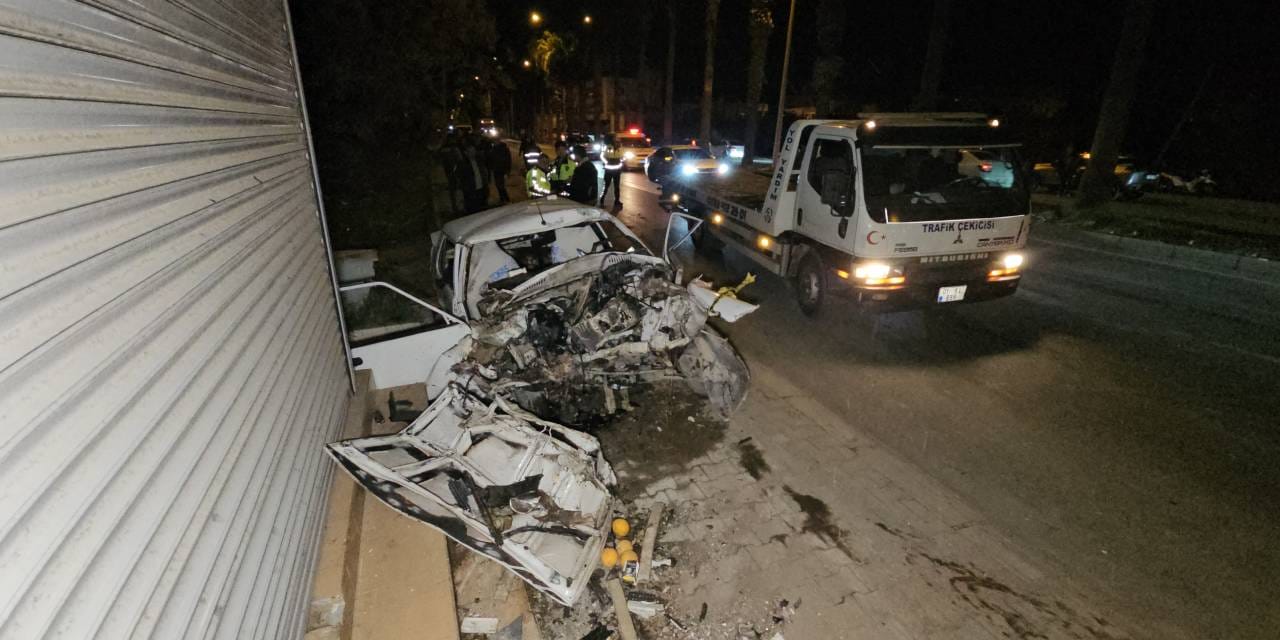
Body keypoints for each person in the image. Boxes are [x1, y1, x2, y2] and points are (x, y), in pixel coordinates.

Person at [457, 137, 490, 213]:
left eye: (474, 151)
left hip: (481, 190)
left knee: (483, 211)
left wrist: (486, 187)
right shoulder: (462, 164)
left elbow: (484, 173)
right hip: (471, 192)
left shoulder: (479, 161)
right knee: (473, 211)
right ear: (466, 152)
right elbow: (461, 179)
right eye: (470, 151)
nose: (473, 153)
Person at [438, 132, 464, 214]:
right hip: (455, 171)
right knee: (457, 189)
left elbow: (440, 160)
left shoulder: (443, 148)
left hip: (448, 171)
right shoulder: (454, 148)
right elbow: (460, 159)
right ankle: (458, 207)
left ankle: (454, 207)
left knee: (452, 190)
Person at [599, 136, 624, 207]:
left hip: (617, 171)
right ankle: (602, 201)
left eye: (618, 141)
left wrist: (621, 161)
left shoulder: (620, 148)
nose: (618, 143)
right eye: (616, 141)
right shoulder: (607, 147)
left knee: (617, 187)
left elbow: (622, 157)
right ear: (613, 141)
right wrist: (607, 162)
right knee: (606, 186)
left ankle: (617, 201)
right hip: (609, 170)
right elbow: (601, 156)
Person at [487, 139, 513, 204]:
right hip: (496, 169)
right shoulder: (493, 149)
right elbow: (490, 159)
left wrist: (508, 170)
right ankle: (503, 198)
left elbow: (508, 160)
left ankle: (506, 199)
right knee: (498, 185)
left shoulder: (503, 149)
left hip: (501, 169)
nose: (495, 143)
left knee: (500, 185)